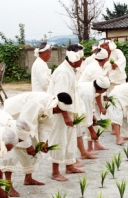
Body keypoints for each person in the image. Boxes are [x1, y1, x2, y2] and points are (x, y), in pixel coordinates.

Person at [3, 92, 72, 185]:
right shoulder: (36, 103)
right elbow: (22, 124)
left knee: (34, 146)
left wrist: (42, 142)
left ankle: (28, 179)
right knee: (12, 151)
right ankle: (8, 185)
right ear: (55, 104)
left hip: (24, 122)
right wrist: (27, 145)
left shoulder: (50, 107)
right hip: (12, 117)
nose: (58, 113)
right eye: (58, 110)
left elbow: (44, 126)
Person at [47, 44, 87, 182]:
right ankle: (55, 171)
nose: (82, 61)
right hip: (60, 112)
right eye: (81, 58)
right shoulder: (63, 72)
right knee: (59, 139)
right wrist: (64, 115)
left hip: (69, 110)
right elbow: (60, 95)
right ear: (75, 58)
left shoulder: (70, 69)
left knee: (70, 139)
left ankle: (70, 165)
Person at [78, 76, 111, 153]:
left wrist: (93, 115)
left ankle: (93, 147)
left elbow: (90, 108)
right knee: (76, 132)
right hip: (72, 109)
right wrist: (92, 132)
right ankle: (87, 150)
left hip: (81, 107)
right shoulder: (88, 94)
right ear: (103, 90)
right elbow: (86, 114)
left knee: (91, 121)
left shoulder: (92, 86)